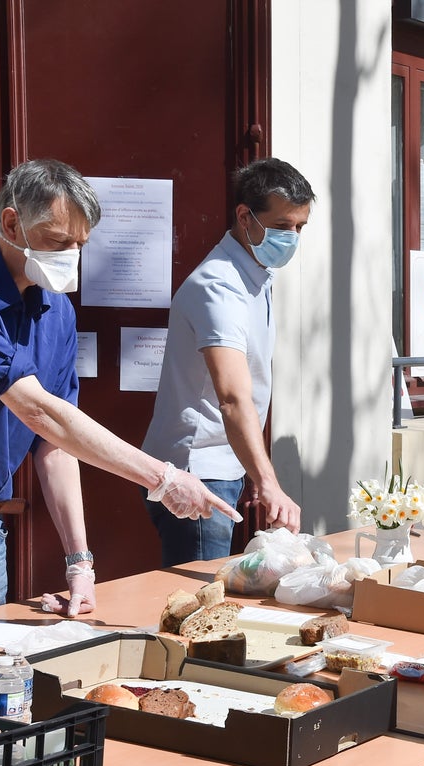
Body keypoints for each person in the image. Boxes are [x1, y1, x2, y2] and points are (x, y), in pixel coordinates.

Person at [0, 158, 237, 634]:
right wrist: (161, 477)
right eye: (58, 241)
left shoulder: (56, 312)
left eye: (80, 244)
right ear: (12, 223)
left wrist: (80, 563)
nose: (71, 255)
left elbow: (54, 445)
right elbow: (36, 411)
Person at [142, 157, 315, 565]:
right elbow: (234, 398)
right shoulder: (219, 286)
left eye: (300, 228)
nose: (291, 237)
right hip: (196, 471)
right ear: (244, 216)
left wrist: (252, 472)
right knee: (201, 609)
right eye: (282, 226)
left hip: (221, 464)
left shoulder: (254, 274)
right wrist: (268, 481)